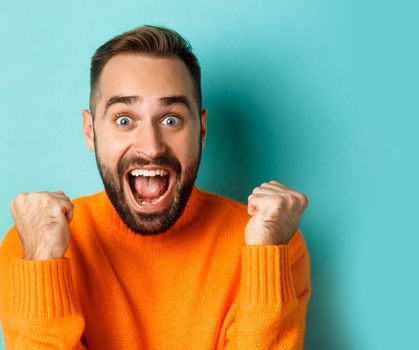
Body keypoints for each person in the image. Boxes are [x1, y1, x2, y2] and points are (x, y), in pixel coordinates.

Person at [0, 25, 311, 349]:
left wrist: (265, 257)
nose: (150, 147)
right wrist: (41, 262)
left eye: (171, 119)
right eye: (124, 119)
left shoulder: (274, 244)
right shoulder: (30, 249)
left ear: (201, 130)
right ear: (90, 131)